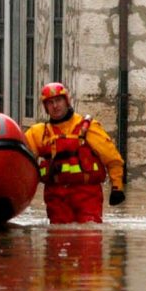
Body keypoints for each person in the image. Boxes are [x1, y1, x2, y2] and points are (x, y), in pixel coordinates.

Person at [23, 82, 126, 224]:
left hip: (87, 194)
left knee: (89, 239)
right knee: (57, 240)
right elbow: (21, 162)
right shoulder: (38, 133)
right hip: (56, 197)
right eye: (50, 102)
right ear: (45, 108)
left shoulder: (88, 127)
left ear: (67, 101)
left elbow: (112, 158)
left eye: (58, 100)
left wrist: (117, 187)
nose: (55, 106)